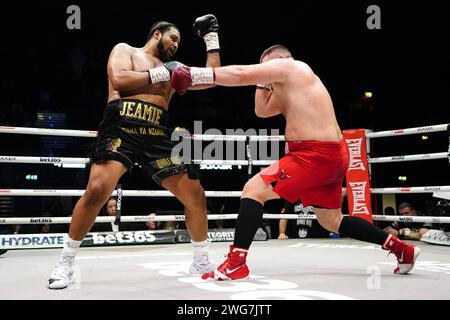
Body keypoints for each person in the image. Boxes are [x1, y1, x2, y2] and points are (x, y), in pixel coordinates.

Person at [168, 44, 421, 281]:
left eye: (266, 69)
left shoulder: (293, 67)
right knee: (331, 220)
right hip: (328, 155)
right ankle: (401, 249)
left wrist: (194, 74)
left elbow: (241, 74)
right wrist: (263, 81)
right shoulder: (288, 87)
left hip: (314, 154)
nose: (265, 76)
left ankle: (236, 262)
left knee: (253, 190)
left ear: (278, 60)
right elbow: (261, 111)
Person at [48, 15, 222, 289]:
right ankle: (66, 261)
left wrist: (211, 38)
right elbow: (119, 80)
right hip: (121, 125)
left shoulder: (175, 70)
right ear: (157, 34)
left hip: (157, 132)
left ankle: (200, 259)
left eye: (179, 41)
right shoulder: (126, 50)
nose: (176, 44)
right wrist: (164, 73)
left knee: (195, 194)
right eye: (172, 37)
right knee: (97, 190)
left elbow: (213, 78)